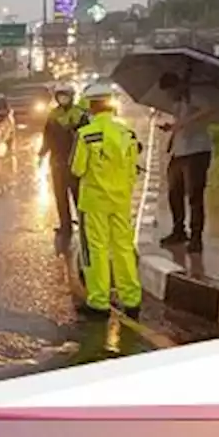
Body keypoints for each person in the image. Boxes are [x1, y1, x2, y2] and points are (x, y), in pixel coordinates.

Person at [71, 82, 143, 320]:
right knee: (123, 248)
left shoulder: (85, 134)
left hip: (93, 203)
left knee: (96, 250)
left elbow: (77, 168)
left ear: (91, 106)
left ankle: (99, 302)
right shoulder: (128, 134)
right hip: (121, 201)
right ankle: (132, 300)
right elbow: (133, 171)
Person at [156, 72, 215, 254]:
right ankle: (179, 230)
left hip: (197, 151)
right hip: (179, 152)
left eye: (169, 91)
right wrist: (171, 128)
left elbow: (209, 109)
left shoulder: (195, 96)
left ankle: (196, 238)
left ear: (177, 86)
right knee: (174, 192)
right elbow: (178, 124)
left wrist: (185, 121)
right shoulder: (177, 102)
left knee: (194, 196)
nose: (168, 96)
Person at [37, 83, 89, 255]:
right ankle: (65, 225)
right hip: (57, 162)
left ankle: (84, 224)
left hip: (75, 162)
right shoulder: (53, 115)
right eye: (60, 96)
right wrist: (42, 154)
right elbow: (47, 137)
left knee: (78, 195)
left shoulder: (80, 115)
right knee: (60, 196)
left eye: (65, 95)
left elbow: (87, 138)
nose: (63, 99)